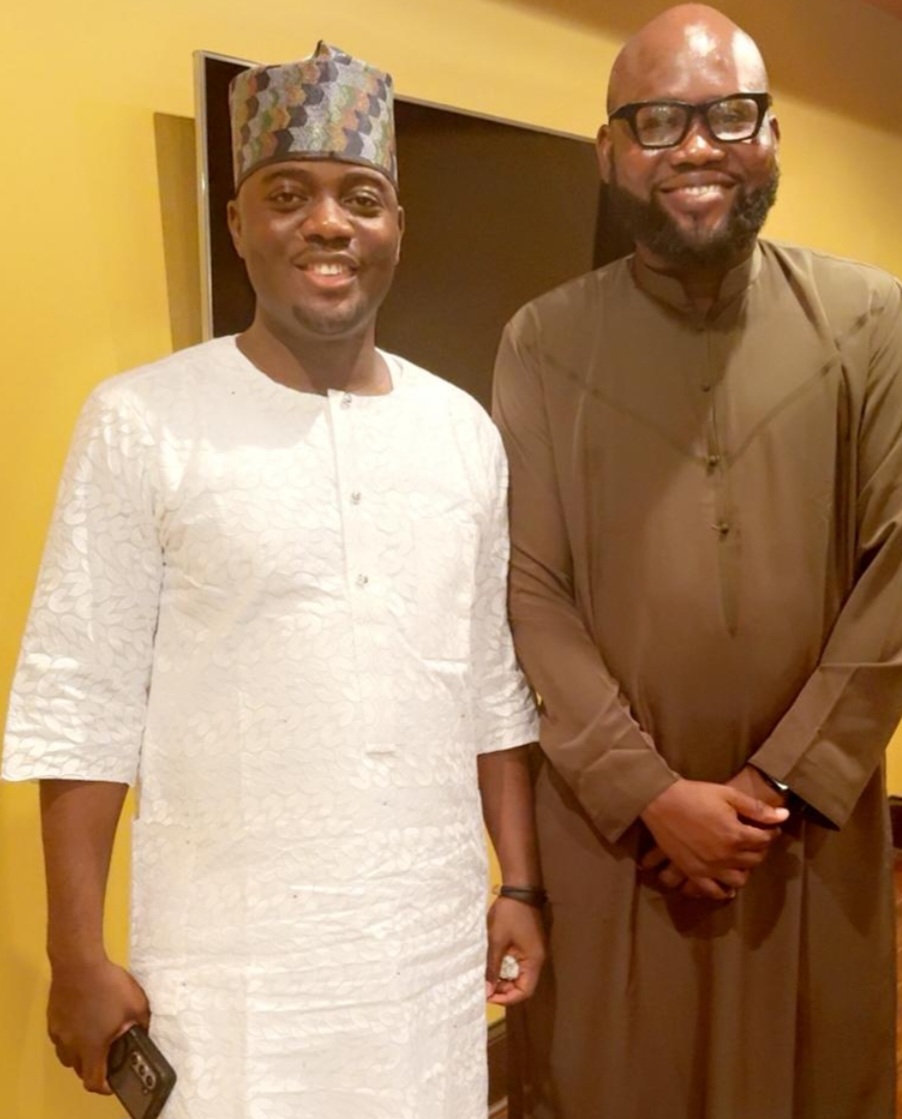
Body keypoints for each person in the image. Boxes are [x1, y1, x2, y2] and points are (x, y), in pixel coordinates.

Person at [3, 41, 545, 1119]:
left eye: (362, 197)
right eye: (288, 194)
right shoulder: (141, 420)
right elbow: (83, 701)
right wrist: (75, 952)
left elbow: (489, 682)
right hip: (228, 972)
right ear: (238, 223)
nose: (329, 223)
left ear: (397, 228)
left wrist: (518, 882)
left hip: (424, 951)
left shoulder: (463, 433)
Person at [491, 6, 902, 1118]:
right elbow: (529, 587)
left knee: (811, 1076)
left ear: (773, 135)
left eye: (727, 116)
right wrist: (647, 792)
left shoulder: (871, 321)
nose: (695, 147)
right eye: (656, 121)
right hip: (615, 838)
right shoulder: (541, 343)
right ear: (610, 150)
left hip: (802, 834)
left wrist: (771, 787)